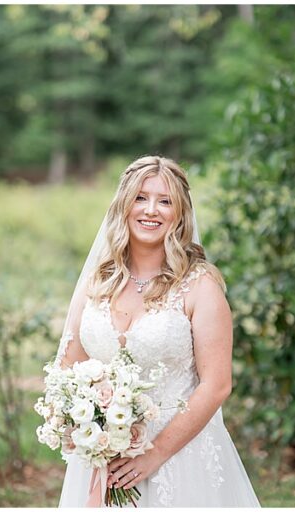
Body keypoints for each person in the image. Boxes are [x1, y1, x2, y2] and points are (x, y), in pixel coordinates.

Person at [56, 156, 260, 507]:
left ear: (180, 214)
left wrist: (154, 454)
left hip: (180, 461)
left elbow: (217, 384)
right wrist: (80, 424)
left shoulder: (200, 286)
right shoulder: (95, 283)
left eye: (165, 201)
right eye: (140, 197)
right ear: (123, 205)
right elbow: (69, 366)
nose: (151, 210)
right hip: (102, 459)